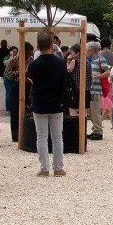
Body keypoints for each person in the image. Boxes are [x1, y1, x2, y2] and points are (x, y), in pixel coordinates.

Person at [27, 33, 68, 177]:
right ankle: (58, 168)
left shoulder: (34, 65)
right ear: (52, 45)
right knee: (57, 137)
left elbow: (30, 77)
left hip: (39, 103)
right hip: (57, 102)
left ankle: (44, 168)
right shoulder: (60, 63)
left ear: (38, 47)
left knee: (41, 136)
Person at [3, 42, 33, 143]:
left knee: (28, 110)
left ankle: (27, 132)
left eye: (30, 53)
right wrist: (19, 73)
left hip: (29, 85)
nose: (29, 55)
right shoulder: (15, 59)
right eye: (27, 53)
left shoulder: (32, 60)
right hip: (16, 86)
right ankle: (15, 135)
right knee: (15, 111)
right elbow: (7, 73)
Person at [85, 42, 108, 140]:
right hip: (91, 89)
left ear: (90, 51)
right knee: (91, 111)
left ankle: (98, 130)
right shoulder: (91, 60)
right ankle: (95, 129)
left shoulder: (100, 59)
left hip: (96, 89)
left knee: (95, 111)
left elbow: (107, 72)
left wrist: (96, 77)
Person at [2, 45, 19, 117]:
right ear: (10, 52)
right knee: (8, 94)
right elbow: (6, 63)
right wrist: (12, 56)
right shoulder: (6, 58)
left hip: (15, 79)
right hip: (8, 79)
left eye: (16, 52)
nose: (15, 53)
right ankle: (8, 110)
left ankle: (14, 108)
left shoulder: (18, 59)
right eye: (13, 52)